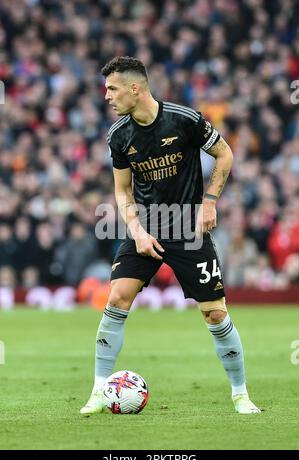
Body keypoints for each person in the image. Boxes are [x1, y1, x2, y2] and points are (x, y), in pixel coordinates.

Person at [80, 56, 261, 415]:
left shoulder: (185, 119)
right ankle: (99, 391)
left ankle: (240, 393)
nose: (106, 96)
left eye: (112, 88)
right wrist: (137, 232)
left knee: (214, 314)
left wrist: (210, 202)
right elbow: (121, 190)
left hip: (188, 229)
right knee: (116, 298)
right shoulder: (119, 135)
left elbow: (224, 155)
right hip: (145, 226)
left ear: (135, 88)